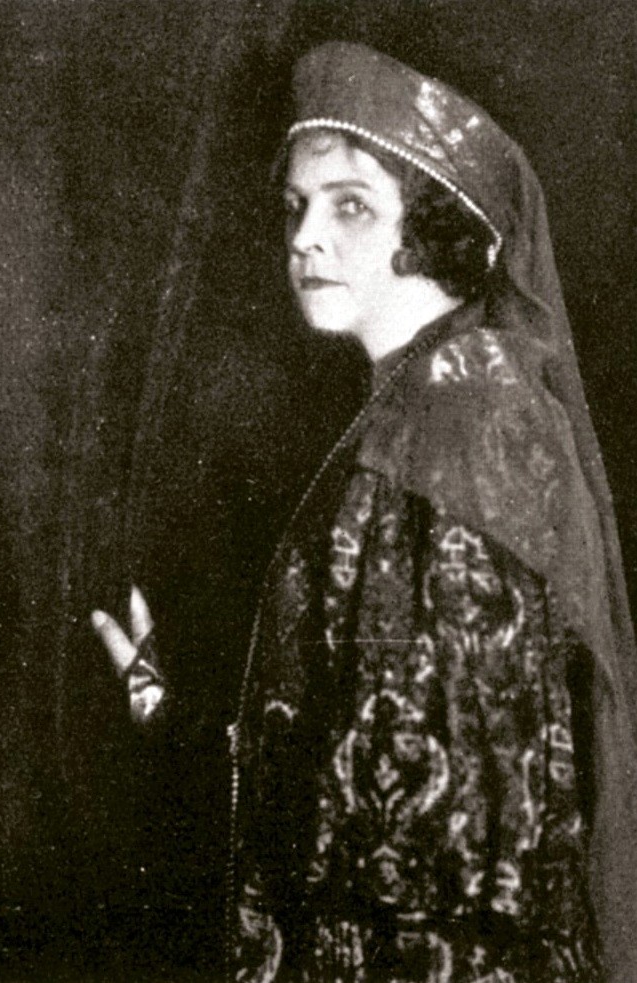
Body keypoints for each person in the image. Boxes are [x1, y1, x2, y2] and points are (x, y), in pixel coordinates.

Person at [92, 42, 637, 983]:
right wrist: (159, 705)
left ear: (435, 226)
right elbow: (350, 753)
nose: (304, 236)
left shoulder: (467, 420)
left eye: (349, 204)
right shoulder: (419, 407)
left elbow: (438, 835)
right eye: (296, 205)